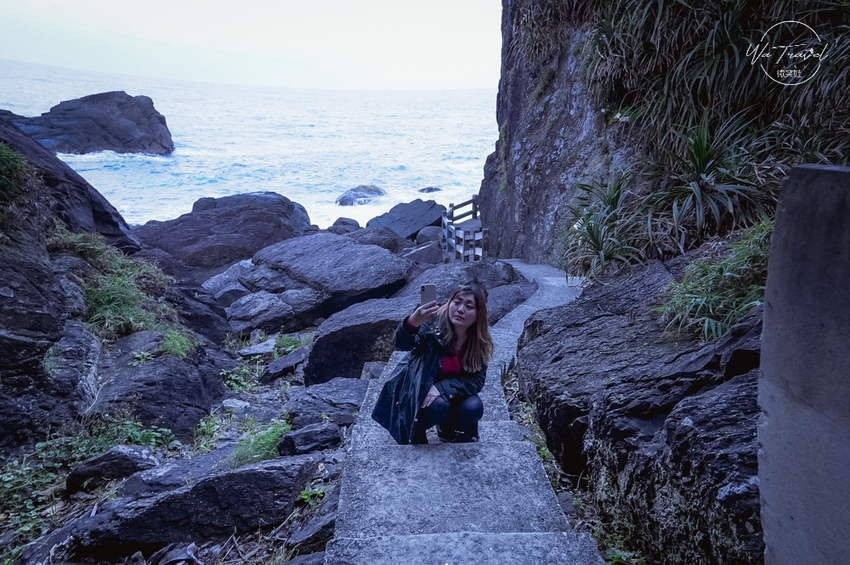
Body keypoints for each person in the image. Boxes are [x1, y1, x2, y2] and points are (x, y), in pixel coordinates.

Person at [371, 284, 494, 444]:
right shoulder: (432, 324)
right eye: (457, 302)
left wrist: (441, 388)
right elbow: (402, 344)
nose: (460, 309)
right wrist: (412, 323)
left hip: (447, 392)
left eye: (469, 306)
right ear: (449, 303)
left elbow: (476, 381)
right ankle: (416, 429)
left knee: (473, 407)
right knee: (438, 405)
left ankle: (447, 427)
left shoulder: (478, 341)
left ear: (478, 315)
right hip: (418, 389)